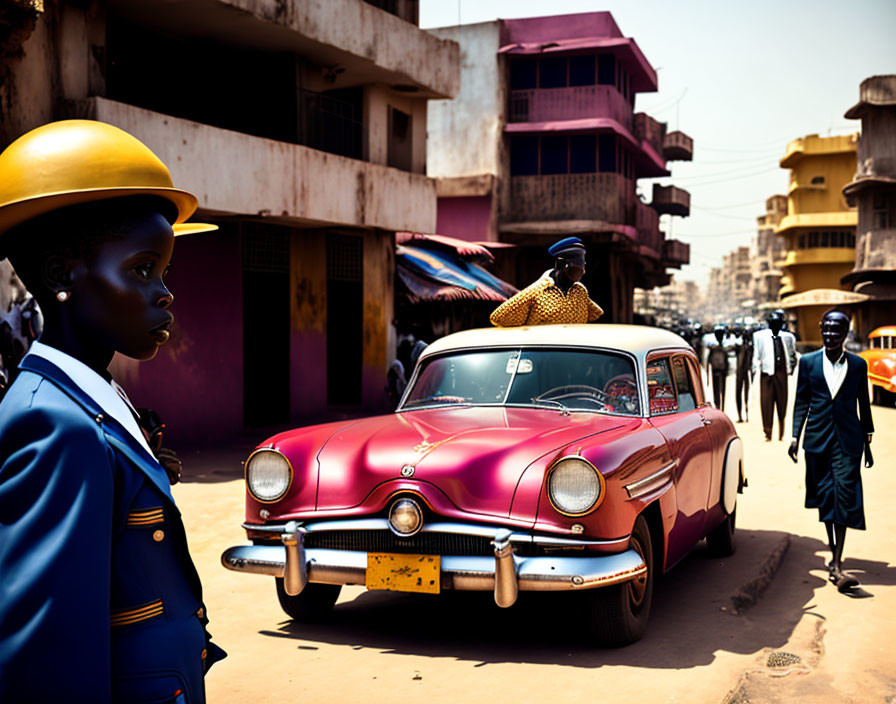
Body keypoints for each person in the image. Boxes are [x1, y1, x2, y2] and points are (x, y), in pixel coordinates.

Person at [0, 120, 224, 702]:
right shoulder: (55, 426)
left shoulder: (96, 401)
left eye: (165, 272)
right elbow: (50, 658)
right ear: (59, 278)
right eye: (142, 269)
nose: (165, 293)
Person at [788, 310, 874, 591]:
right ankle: (834, 551)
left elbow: (864, 403)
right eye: (826, 330)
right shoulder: (808, 363)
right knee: (826, 496)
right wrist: (794, 437)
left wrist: (868, 441)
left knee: (844, 495)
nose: (829, 335)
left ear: (846, 333)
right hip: (817, 440)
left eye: (836, 331)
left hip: (849, 442)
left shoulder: (859, 365)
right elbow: (802, 401)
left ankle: (837, 565)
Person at [489, 237, 603, 327]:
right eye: (578, 267)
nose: (583, 271)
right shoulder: (538, 290)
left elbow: (596, 313)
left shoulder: (580, 291)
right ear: (561, 264)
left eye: (583, 266)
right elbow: (499, 317)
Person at [752, 310, 797, 441]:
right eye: (773, 323)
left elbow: (793, 355)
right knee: (766, 402)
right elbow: (756, 355)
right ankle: (768, 431)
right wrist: (756, 369)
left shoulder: (788, 337)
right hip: (767, 373)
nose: (775, 325)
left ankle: (781, 430)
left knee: (782, 401)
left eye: (778, 323)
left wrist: (790, 370)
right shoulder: (760, 336)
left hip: (781, 372)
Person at [732, 324, 754, 423]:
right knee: (744, 394)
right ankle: (743, 414)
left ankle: (743, 414)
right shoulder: (747, 348)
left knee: (741, 394)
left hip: (741, 372)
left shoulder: (743, 348)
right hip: (744, 372)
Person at [705, 324, 730, 411]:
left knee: (721, 390)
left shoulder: (722, 348)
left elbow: (727, 362)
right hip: (716, 371)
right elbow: (708, 362)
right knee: (717, 391)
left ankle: (721, 408)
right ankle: (719, 407)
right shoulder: (714, 349)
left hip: (721, 371)